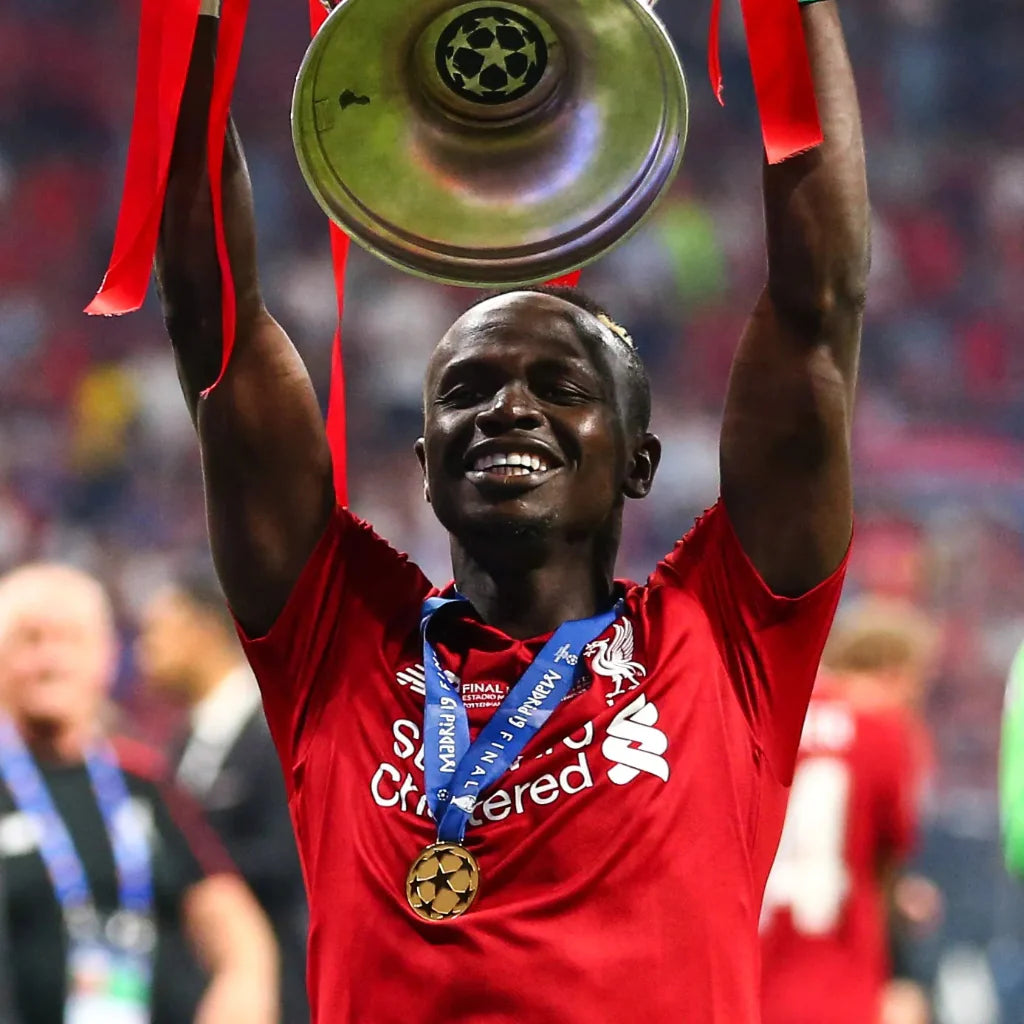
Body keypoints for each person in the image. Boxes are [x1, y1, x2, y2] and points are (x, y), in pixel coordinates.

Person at [153, 0, 867, 1018]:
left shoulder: (721, 635)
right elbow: (211, 320)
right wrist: (198, 21)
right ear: (425, 461)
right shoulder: (341, 642)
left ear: (639, 462)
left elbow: (817, 308)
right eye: (467, 390)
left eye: (561, 387)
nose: (507, 409)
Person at [0, 562, 278, 1024]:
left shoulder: (144, 781)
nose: (50, 660)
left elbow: (237, 930)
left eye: (70, 640)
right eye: (30, 640)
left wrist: (242, 989)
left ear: (107, 657)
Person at [137, 573, 309, 1024]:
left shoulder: (277, 730)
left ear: (204, 630)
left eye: (156, 630)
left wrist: (179, 873)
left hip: (281, 986)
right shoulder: (181, 745)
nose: (144, 648)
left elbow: (291, 853)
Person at [760, 597, 937, 1024]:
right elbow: (886, 863)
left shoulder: (767, 715)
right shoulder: (885, 731)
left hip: (747, 977)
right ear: (894, 672)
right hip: (840, 979)